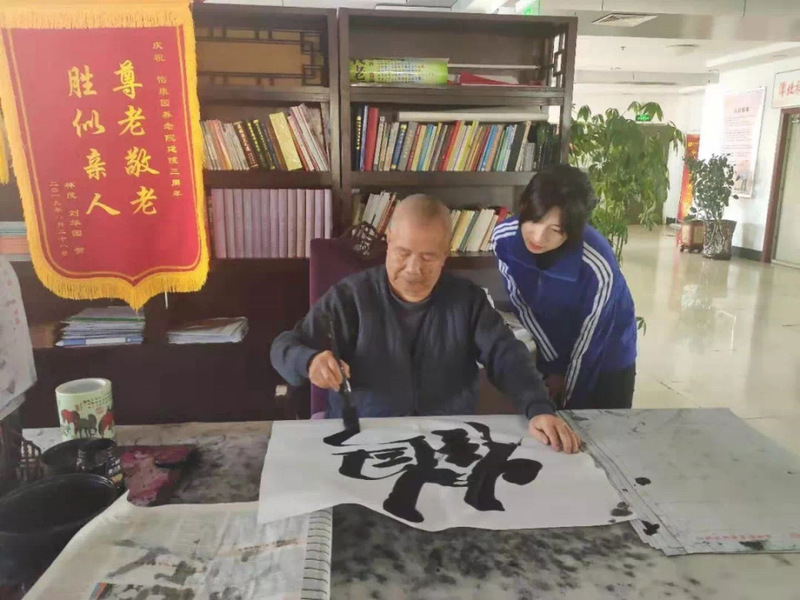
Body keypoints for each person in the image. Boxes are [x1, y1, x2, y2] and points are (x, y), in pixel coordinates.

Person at [271, 194, 581, 453]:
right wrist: (309, 361)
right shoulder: (349, 297)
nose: (413, 269)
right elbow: (285, 346)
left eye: (428, 257)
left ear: (445, 254)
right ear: (389, 242)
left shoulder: (468, 301)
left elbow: (507, 356)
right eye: (403, 253)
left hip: (447, 442)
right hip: (364, 439)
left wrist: (538, 408)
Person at [492, 164, 637, 410]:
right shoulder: (503, 239)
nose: (538, 237)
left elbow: (590, 346)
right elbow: (522, 306)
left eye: (555, 229)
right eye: (535, 220)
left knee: (599, 424)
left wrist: (570, 404)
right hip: (552, 345)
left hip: (605, 354)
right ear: (525, 206)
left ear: (573, 230)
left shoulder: (596, 264)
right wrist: (554, 366)